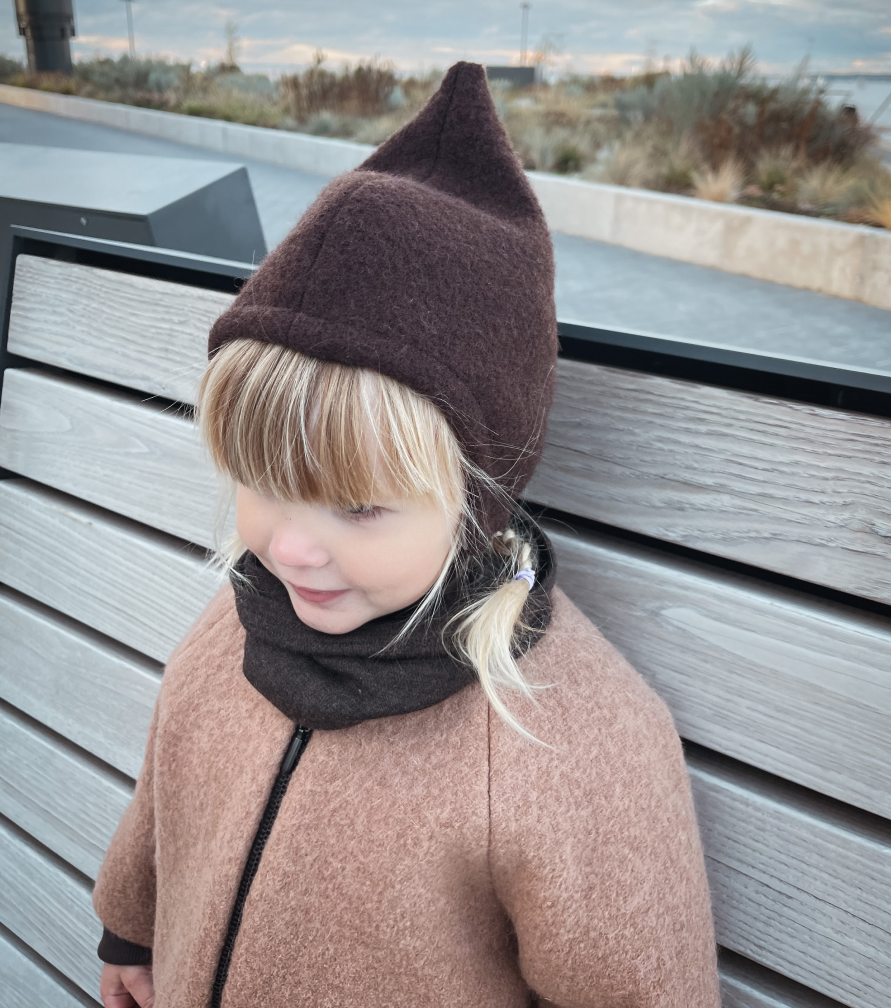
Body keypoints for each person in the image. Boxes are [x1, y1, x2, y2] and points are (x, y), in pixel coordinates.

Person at [94, 62, 720, 1008]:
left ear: (477, 499)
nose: (290, 550)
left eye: (358, 507)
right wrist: (131, 926)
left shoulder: (572, 742)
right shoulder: (240, 622)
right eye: (262, 483)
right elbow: (166, 787)